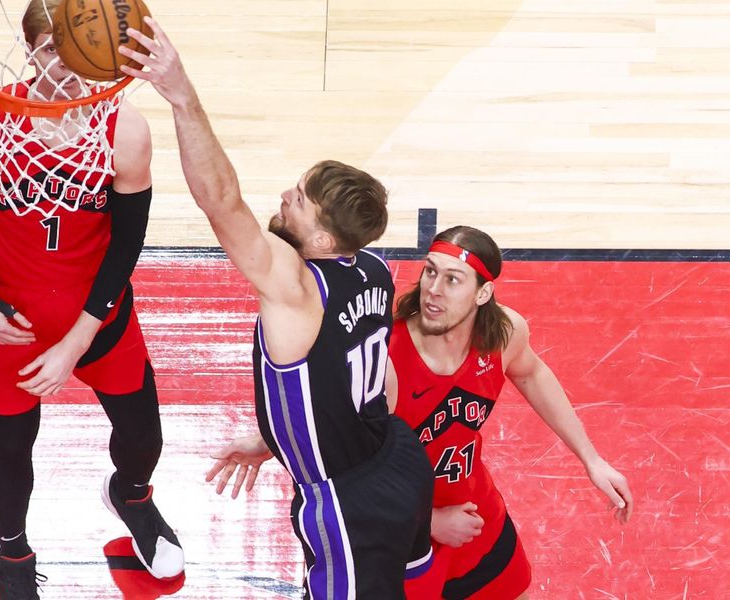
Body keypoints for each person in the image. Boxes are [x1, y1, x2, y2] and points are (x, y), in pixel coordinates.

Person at [118, 18, 436, 599]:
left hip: (345, 503)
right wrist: (277, 439)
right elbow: (377, 386)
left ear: (319, 242)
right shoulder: (374, 270)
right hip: (400, 461)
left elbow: (222, 204)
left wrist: (181, 93)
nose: (287, 196)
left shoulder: (296, 285)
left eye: (302, 199)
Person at [0, 1, 184, 597]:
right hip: (10, 322)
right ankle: (13, 555)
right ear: (31, 48)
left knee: (144, 432)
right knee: (12, 443)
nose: (67, 69)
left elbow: (127, 243)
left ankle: (131, 493)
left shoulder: (124, 127)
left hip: (97, 317)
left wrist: (78, 339)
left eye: (79, 55)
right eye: (53, 51)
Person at [386, 225, 634, 600]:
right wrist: (431, 523)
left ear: (483, 293)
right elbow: (351, 467)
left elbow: (532, 373)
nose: (433, 289)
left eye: (453, 280)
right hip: (401, 530)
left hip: (474, 515)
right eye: (430, 271)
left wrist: (592, 460)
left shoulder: (503, 334)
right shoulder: (385, 355)